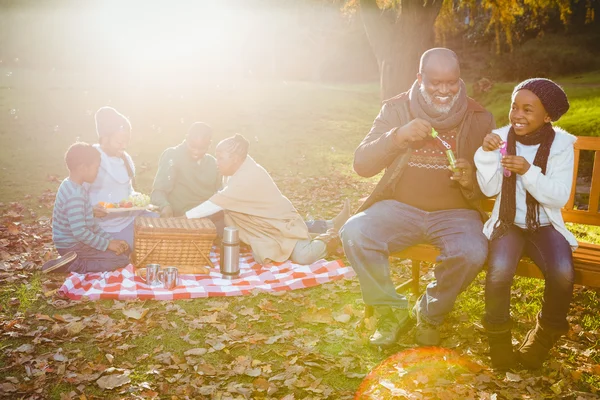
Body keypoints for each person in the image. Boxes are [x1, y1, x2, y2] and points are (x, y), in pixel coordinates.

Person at [340, 48, 495, 347]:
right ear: (420, 78)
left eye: (451, 82)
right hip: (399, 209)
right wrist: (397, 136)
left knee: (472, 251)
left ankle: (430, 312)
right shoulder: (396, 110)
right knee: (355, 232)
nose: (443, 90)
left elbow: (494, 179)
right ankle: (391, 311)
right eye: (435, 82)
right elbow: (362, 164)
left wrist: (470, 179)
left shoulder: (479, 117)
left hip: (456, 214)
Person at [474, 78, 576, 370]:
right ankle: (499, 339)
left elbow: (557, 197)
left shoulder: (561, 146)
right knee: (499, 272)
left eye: (527, 110)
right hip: (509, 223)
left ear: (547, 117)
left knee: (562, 272)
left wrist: (529, 172)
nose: (517, 114)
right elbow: (490, 190)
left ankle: (545, 335)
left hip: (544, 225)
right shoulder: (502, 138)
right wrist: (485, 154)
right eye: (514, 107)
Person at [185, 134, 349, 265]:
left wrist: (184, 219)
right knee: (285, 248)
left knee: (304, 256)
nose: (217, 162)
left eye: (220, 157)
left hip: (282, 226)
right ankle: (324, 228)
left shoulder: (247, 176)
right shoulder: (237, 171)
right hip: (265, 228)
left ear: (235, 158)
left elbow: (215, 203)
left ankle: (332, 238)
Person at [42, 142, 130, 274]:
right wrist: (108, 245)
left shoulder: (69, 184)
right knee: (120, 261)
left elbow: (90, 224)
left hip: (73, 243)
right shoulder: (75, 195)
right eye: (96, 168)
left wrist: (111, 240)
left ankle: (71, 260)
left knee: (123, 252)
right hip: (73, 245)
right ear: (83, 168)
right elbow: (80, 232)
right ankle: (72, 265)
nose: (98, 172)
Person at [88, 106, 155, 249]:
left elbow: (128, 190)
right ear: (104, 138)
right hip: (105, 227)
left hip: (130, 218)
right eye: (119, 142)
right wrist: (90, 209)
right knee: (139, 248)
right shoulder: (92, 160)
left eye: (127, 141)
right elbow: (77, 196)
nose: (124, 146)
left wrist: (141, 202)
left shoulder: (125, 158)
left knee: (160, 226)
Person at [151, 122, 225, 234]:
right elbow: (158, 191)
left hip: (207, 220)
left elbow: (221, 194)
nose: (196, 152)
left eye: (201, 148)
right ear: (186, 139)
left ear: (209, 144)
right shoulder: (172, 156)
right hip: (179, 220)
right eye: (192, 146)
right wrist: (165, 206)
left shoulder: (213, 163)